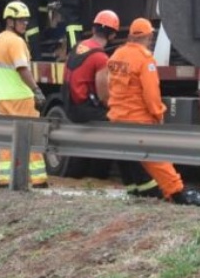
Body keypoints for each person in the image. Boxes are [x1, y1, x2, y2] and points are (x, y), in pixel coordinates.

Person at [106, 18, 200, 205]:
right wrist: (158, 114)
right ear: (149, 36)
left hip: (117, 118)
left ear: (131, 35)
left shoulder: (116, 55)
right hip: (138, 119)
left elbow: (110, 85)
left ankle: (137, 193)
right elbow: (151, 94)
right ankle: (176, 192)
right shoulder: (145, 59)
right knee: (157, 158)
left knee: (129, 160)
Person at [62, 10, 159, 196]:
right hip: (83, 108)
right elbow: (103, 94)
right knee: (120, 132)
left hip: (70, 104)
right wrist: (114, 108)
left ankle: (128, 183)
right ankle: (142, 183)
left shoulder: (79, 46)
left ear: (93, 28)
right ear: (113, 34)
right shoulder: (100, 57)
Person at [0, 1, 49, 188]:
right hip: (20, 98)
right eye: (21, 20)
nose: (25, 23)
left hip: (2, 97)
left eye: (26, 20)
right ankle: (38, 178)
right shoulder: (16, 42)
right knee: (31, 136)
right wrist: (36, 90)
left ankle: (5, 178)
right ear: (10, 21)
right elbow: (22, 68)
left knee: (8, 138)